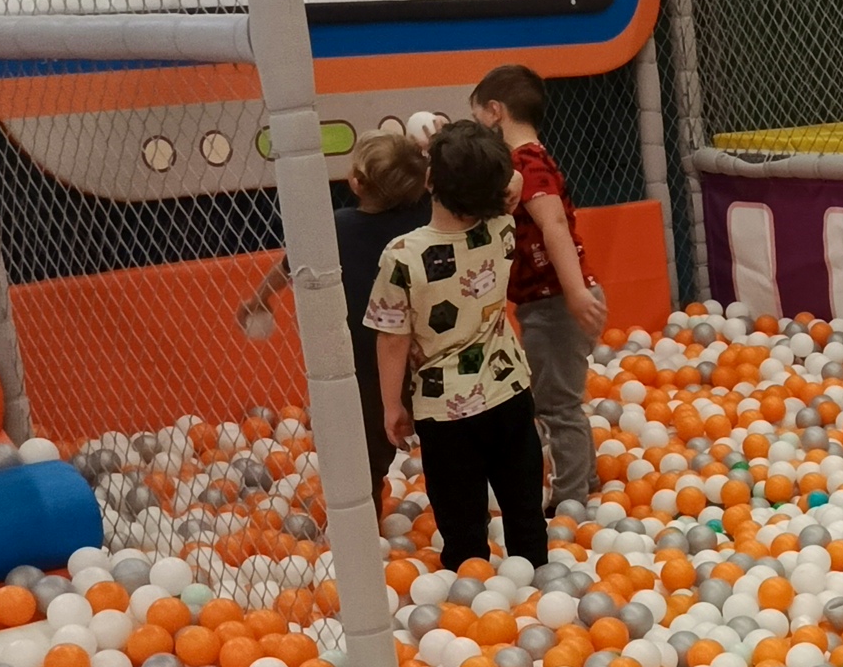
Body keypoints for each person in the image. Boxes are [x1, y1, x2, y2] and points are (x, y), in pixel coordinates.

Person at [363, 119, 549, 570]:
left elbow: (392, 339)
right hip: (508, 391)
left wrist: (392, 405)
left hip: (445, 411)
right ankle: (536, 579)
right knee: (524, 506)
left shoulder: (403, 255)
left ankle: (469, 586)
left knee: (461, 521)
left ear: (429, 180)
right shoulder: (501, 228)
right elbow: (515, 180)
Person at [240, 131, 433, 503]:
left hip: (368, 365)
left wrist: (259, 298)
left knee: (367, 459)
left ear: (356, 182)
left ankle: (365, 521)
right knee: (444, 445)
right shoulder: (428, 218)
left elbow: (291, 265)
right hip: (427, 354)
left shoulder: (339, 227)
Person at [468, 64, 605, 509]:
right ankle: (586, 478)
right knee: (558, 397)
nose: (478, 127)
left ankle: (571, 499)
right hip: (549, 301)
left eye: (477, 118)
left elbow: (555, 226)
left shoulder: (525, 163)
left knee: (556, 405)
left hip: (555, 301)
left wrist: (575, 292)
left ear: (495, 112)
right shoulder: (526, 161)